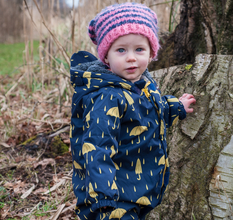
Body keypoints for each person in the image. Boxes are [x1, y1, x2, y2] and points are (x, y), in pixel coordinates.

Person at [69, 3, 196, 220]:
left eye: (139, 49)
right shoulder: (106, 96)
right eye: (121, 50)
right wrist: (104, 200)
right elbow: (97, 148)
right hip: (112, 199)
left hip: (136, 190)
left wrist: (174, 107)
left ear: (151, 52)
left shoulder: (143, 85)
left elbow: (147, 113)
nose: (131, 57)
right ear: (106, 56)